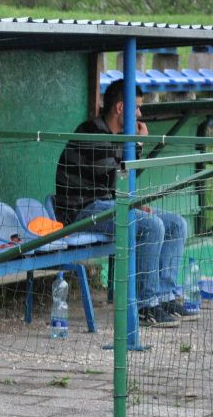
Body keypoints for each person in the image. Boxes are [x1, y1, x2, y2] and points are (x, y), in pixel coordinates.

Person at [55, 78, 190, 328]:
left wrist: (131, 202)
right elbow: (117, 178)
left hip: (107, 205)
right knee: (151, 225)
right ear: (120, 108)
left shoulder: (116, 136)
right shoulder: (91, 132)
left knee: (177, 224)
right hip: (81, 211)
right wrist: (137, 144)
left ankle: (165, 296)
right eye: (136, 107)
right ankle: (145, 305)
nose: (140, 114)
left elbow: (117, 183)